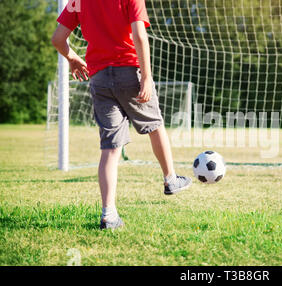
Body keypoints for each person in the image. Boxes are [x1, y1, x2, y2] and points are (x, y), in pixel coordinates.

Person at [51, 0, 192, 230]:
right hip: (129, 73)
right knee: (155, 125)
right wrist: (146, 76)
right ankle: (171, 179)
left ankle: (108, 214)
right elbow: (139, 36)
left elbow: (58, 39)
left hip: (99, 79)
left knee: (110, 148)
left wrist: (73, 58)